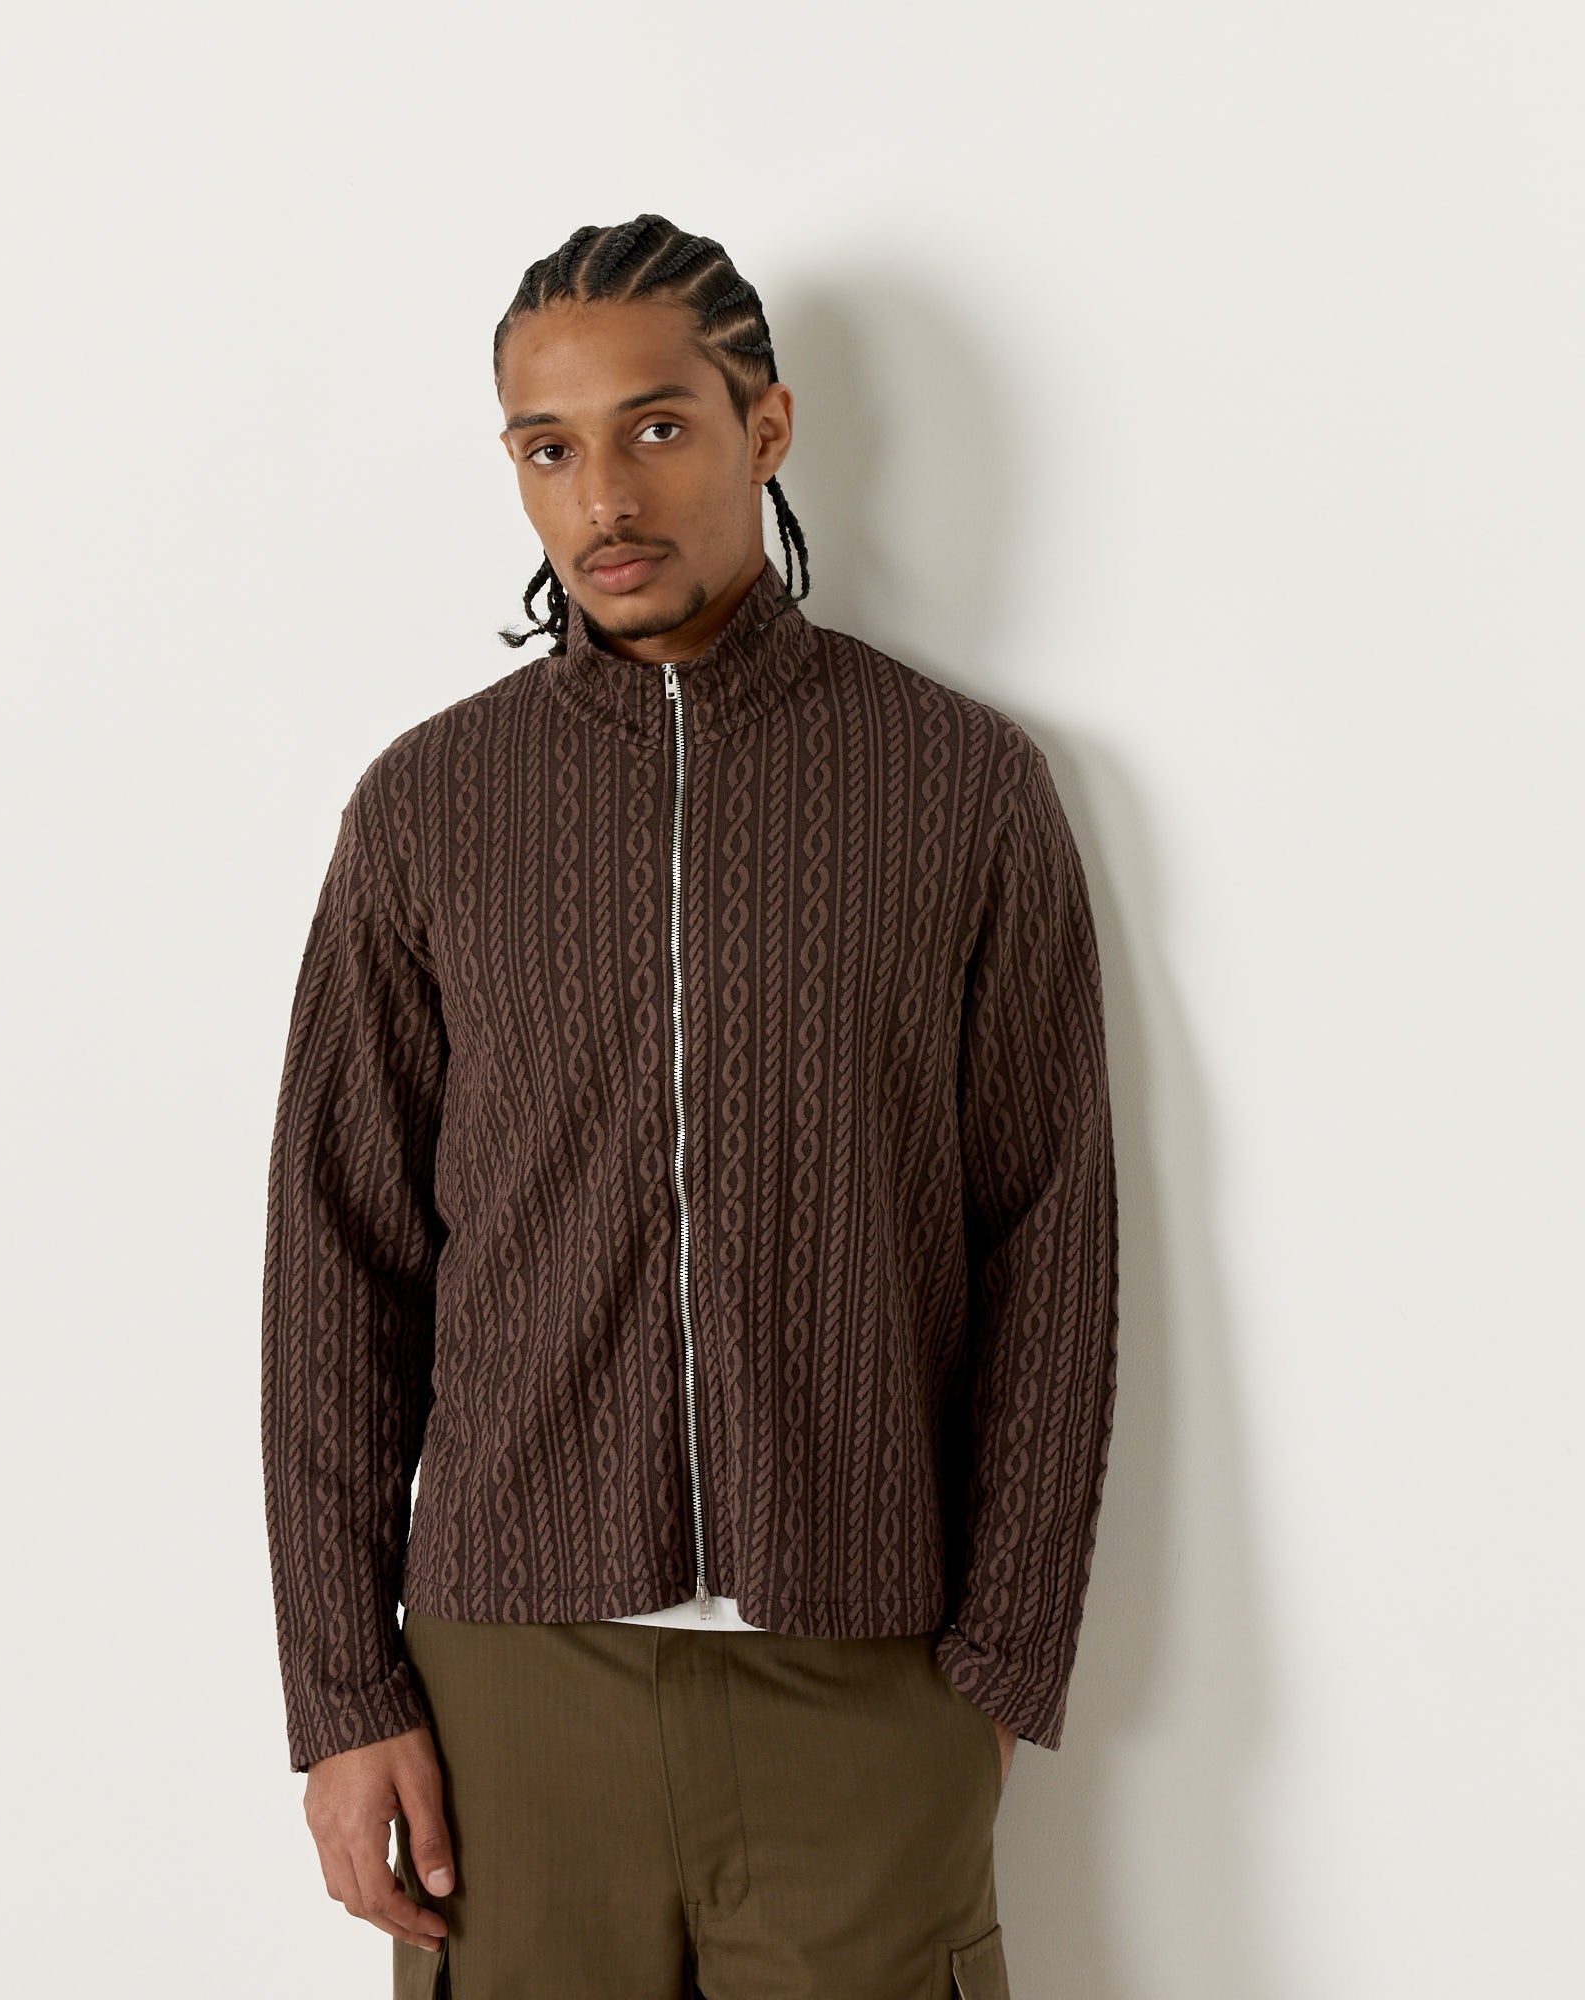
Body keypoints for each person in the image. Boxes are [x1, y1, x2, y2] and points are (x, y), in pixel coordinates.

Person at [260, 212, 1120, 2000]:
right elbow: (337, 1265)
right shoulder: (430, 810)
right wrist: (344, 1695)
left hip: (863, 1675)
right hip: (510, 1692)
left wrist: (995, 1671)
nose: (603, 498)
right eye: (547, 448)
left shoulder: (959, 787)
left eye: (657, 427)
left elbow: (1050, 1237)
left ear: (766, 427)